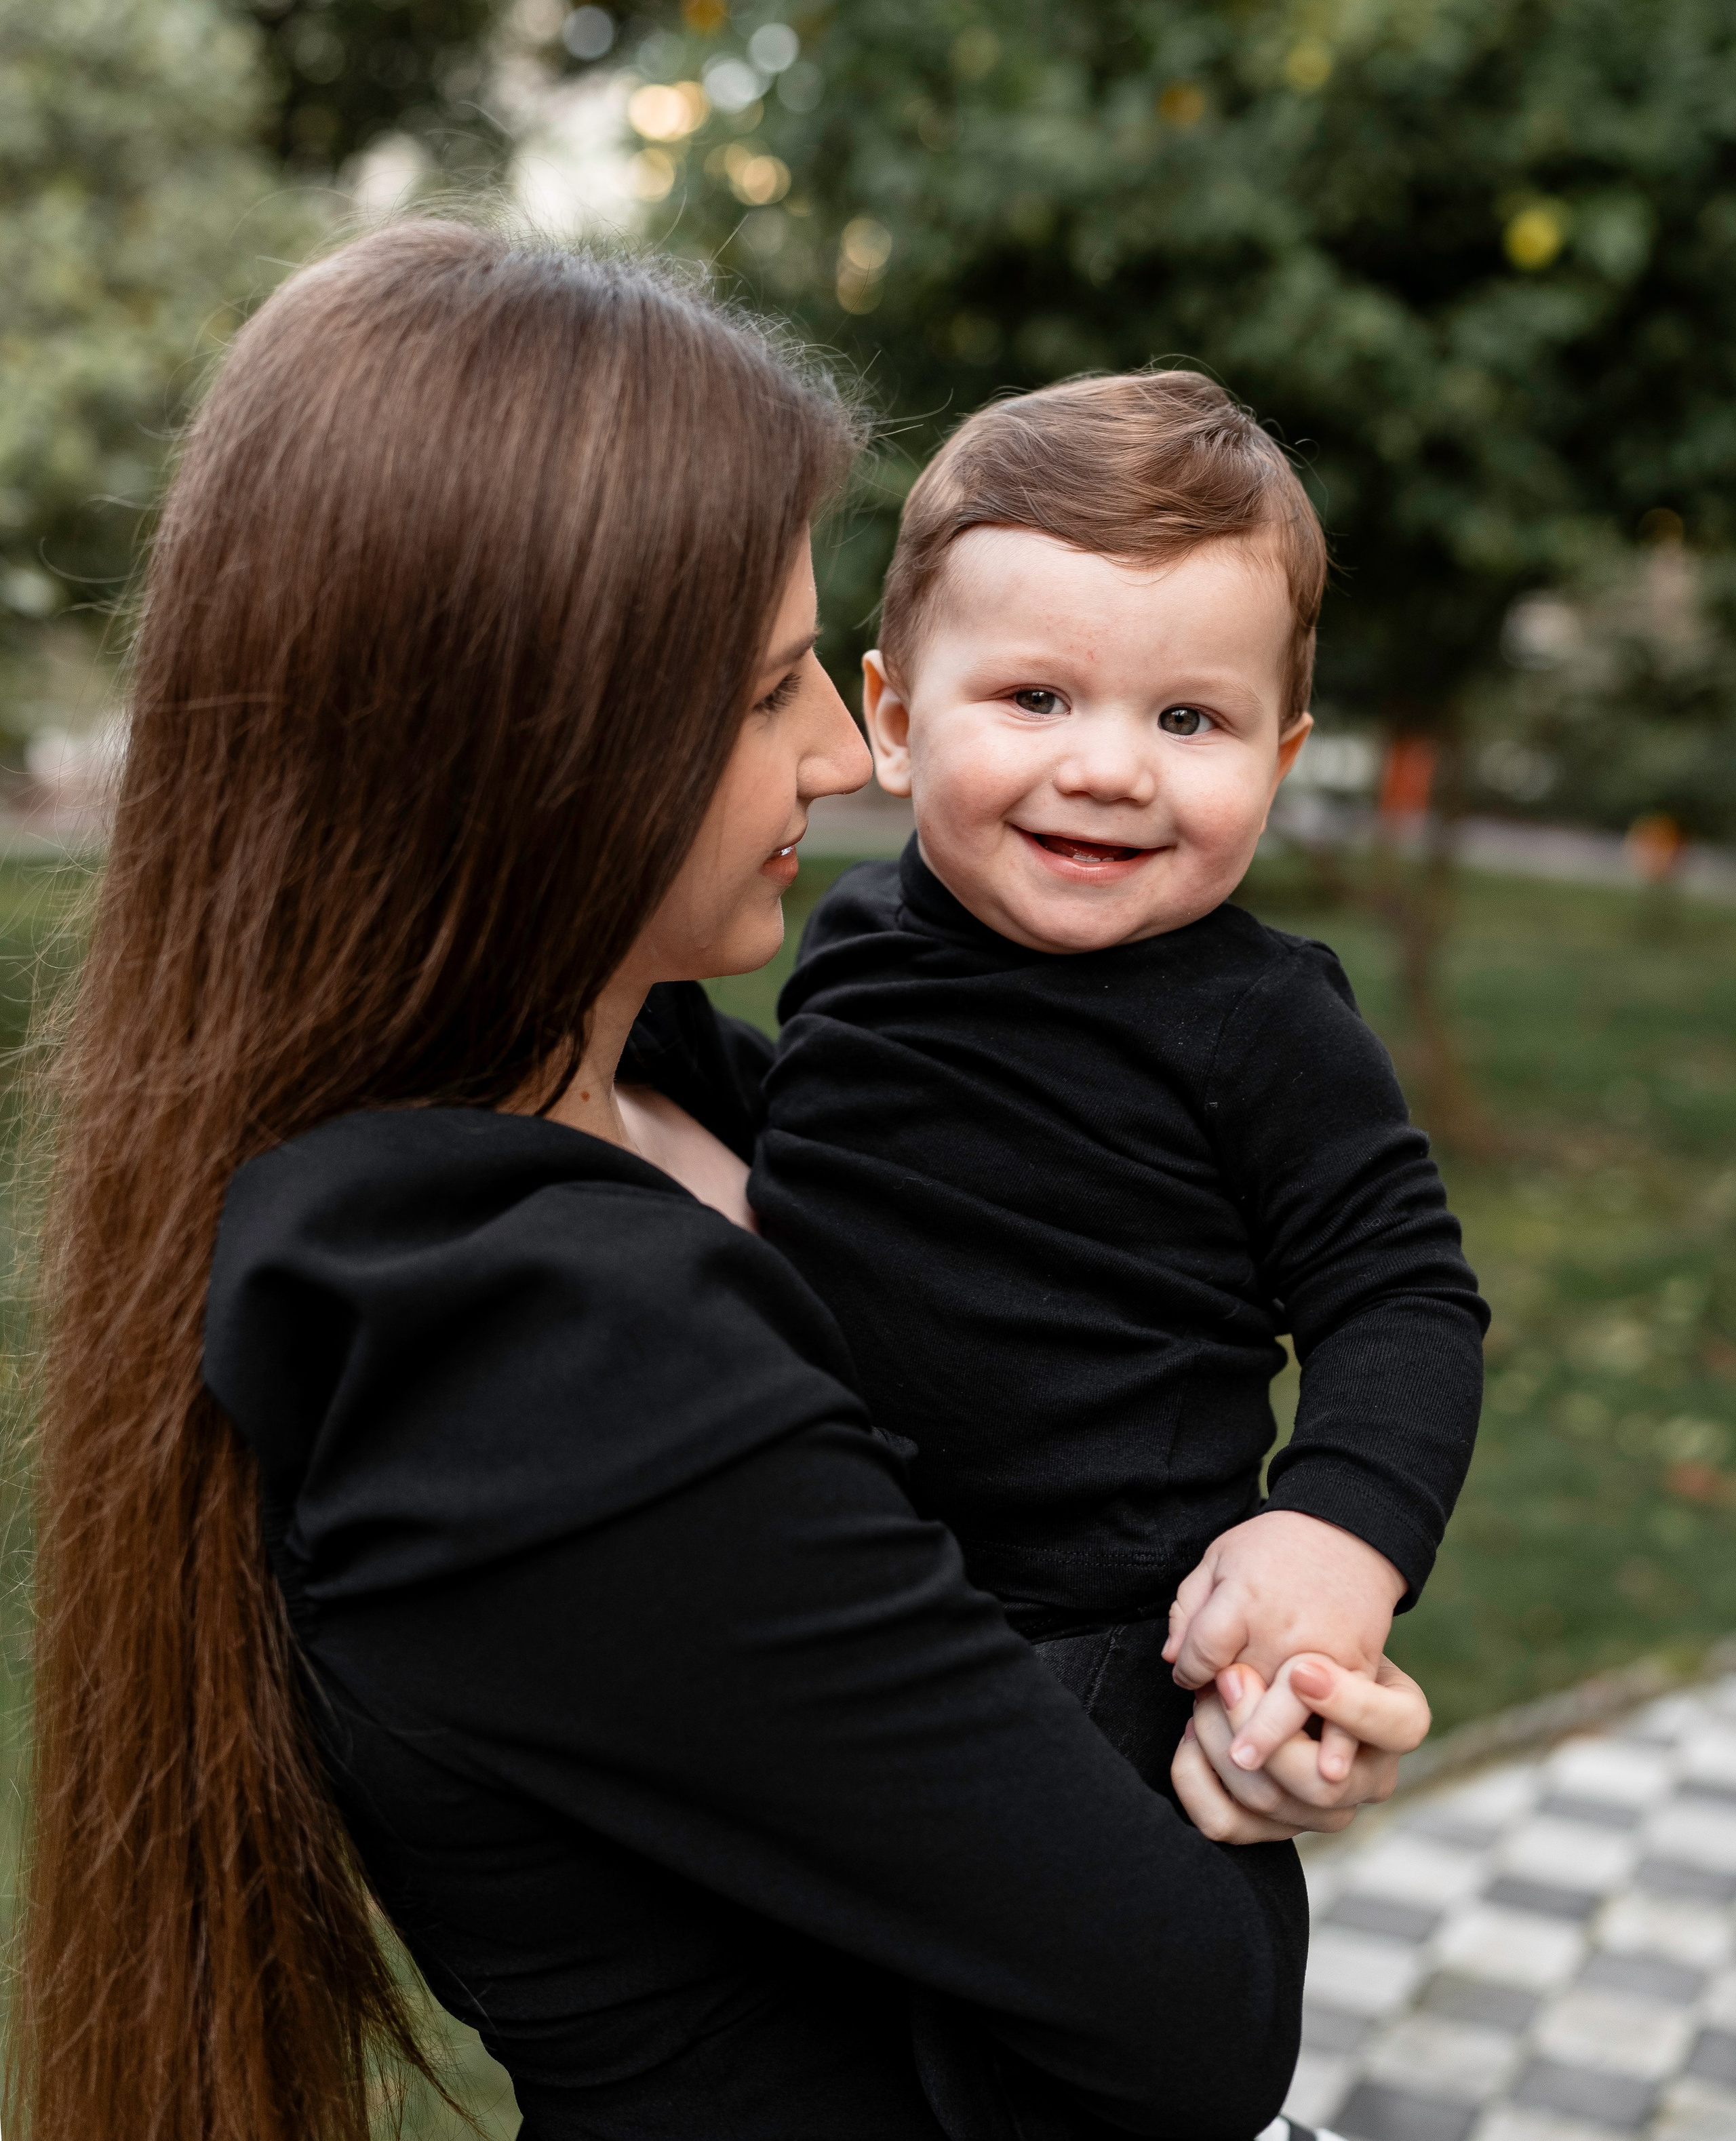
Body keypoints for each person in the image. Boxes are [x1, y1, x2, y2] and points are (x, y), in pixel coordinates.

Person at [16, 229, 1425, 2141]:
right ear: (538, 736)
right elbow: (1189, 2009)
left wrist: (1295, 1641)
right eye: (776, 692)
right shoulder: (531, 1340)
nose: (848, 758)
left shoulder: (676, 1085)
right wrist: (1219, 1793)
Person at [752, 372, 1488, 1804]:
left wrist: (1339, 1530)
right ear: (893, 722)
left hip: (1097, 1633)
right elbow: (812, 1148)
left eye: (1188, 722)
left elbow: (1399, 1294)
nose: (1106, 769)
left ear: (1277, 763)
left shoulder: (1260, 1021)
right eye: (1035, 698)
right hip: (840, 1573)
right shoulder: (851, 938)